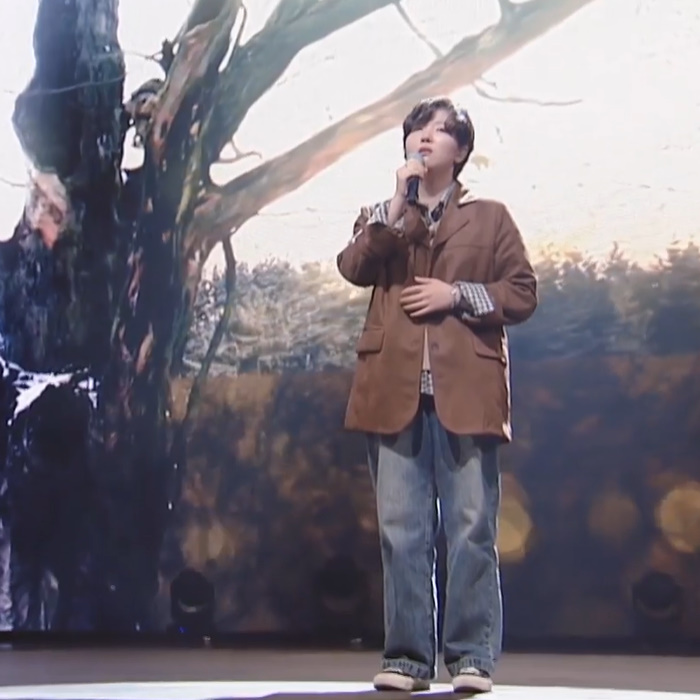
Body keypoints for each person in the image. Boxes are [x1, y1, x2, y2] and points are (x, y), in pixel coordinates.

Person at [336, 97, 537, 694]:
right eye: (416, 130)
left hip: (466, 390)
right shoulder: (382, 216)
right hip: (391, 390)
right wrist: (397, 207)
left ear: (462, 150)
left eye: (440, 131)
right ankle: (406, 659)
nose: (424, 138)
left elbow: (522, 292)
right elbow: (354, 267)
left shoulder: (490, 217)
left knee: (472, 527)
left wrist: (457, 295)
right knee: (401, 530)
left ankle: (472, 656)